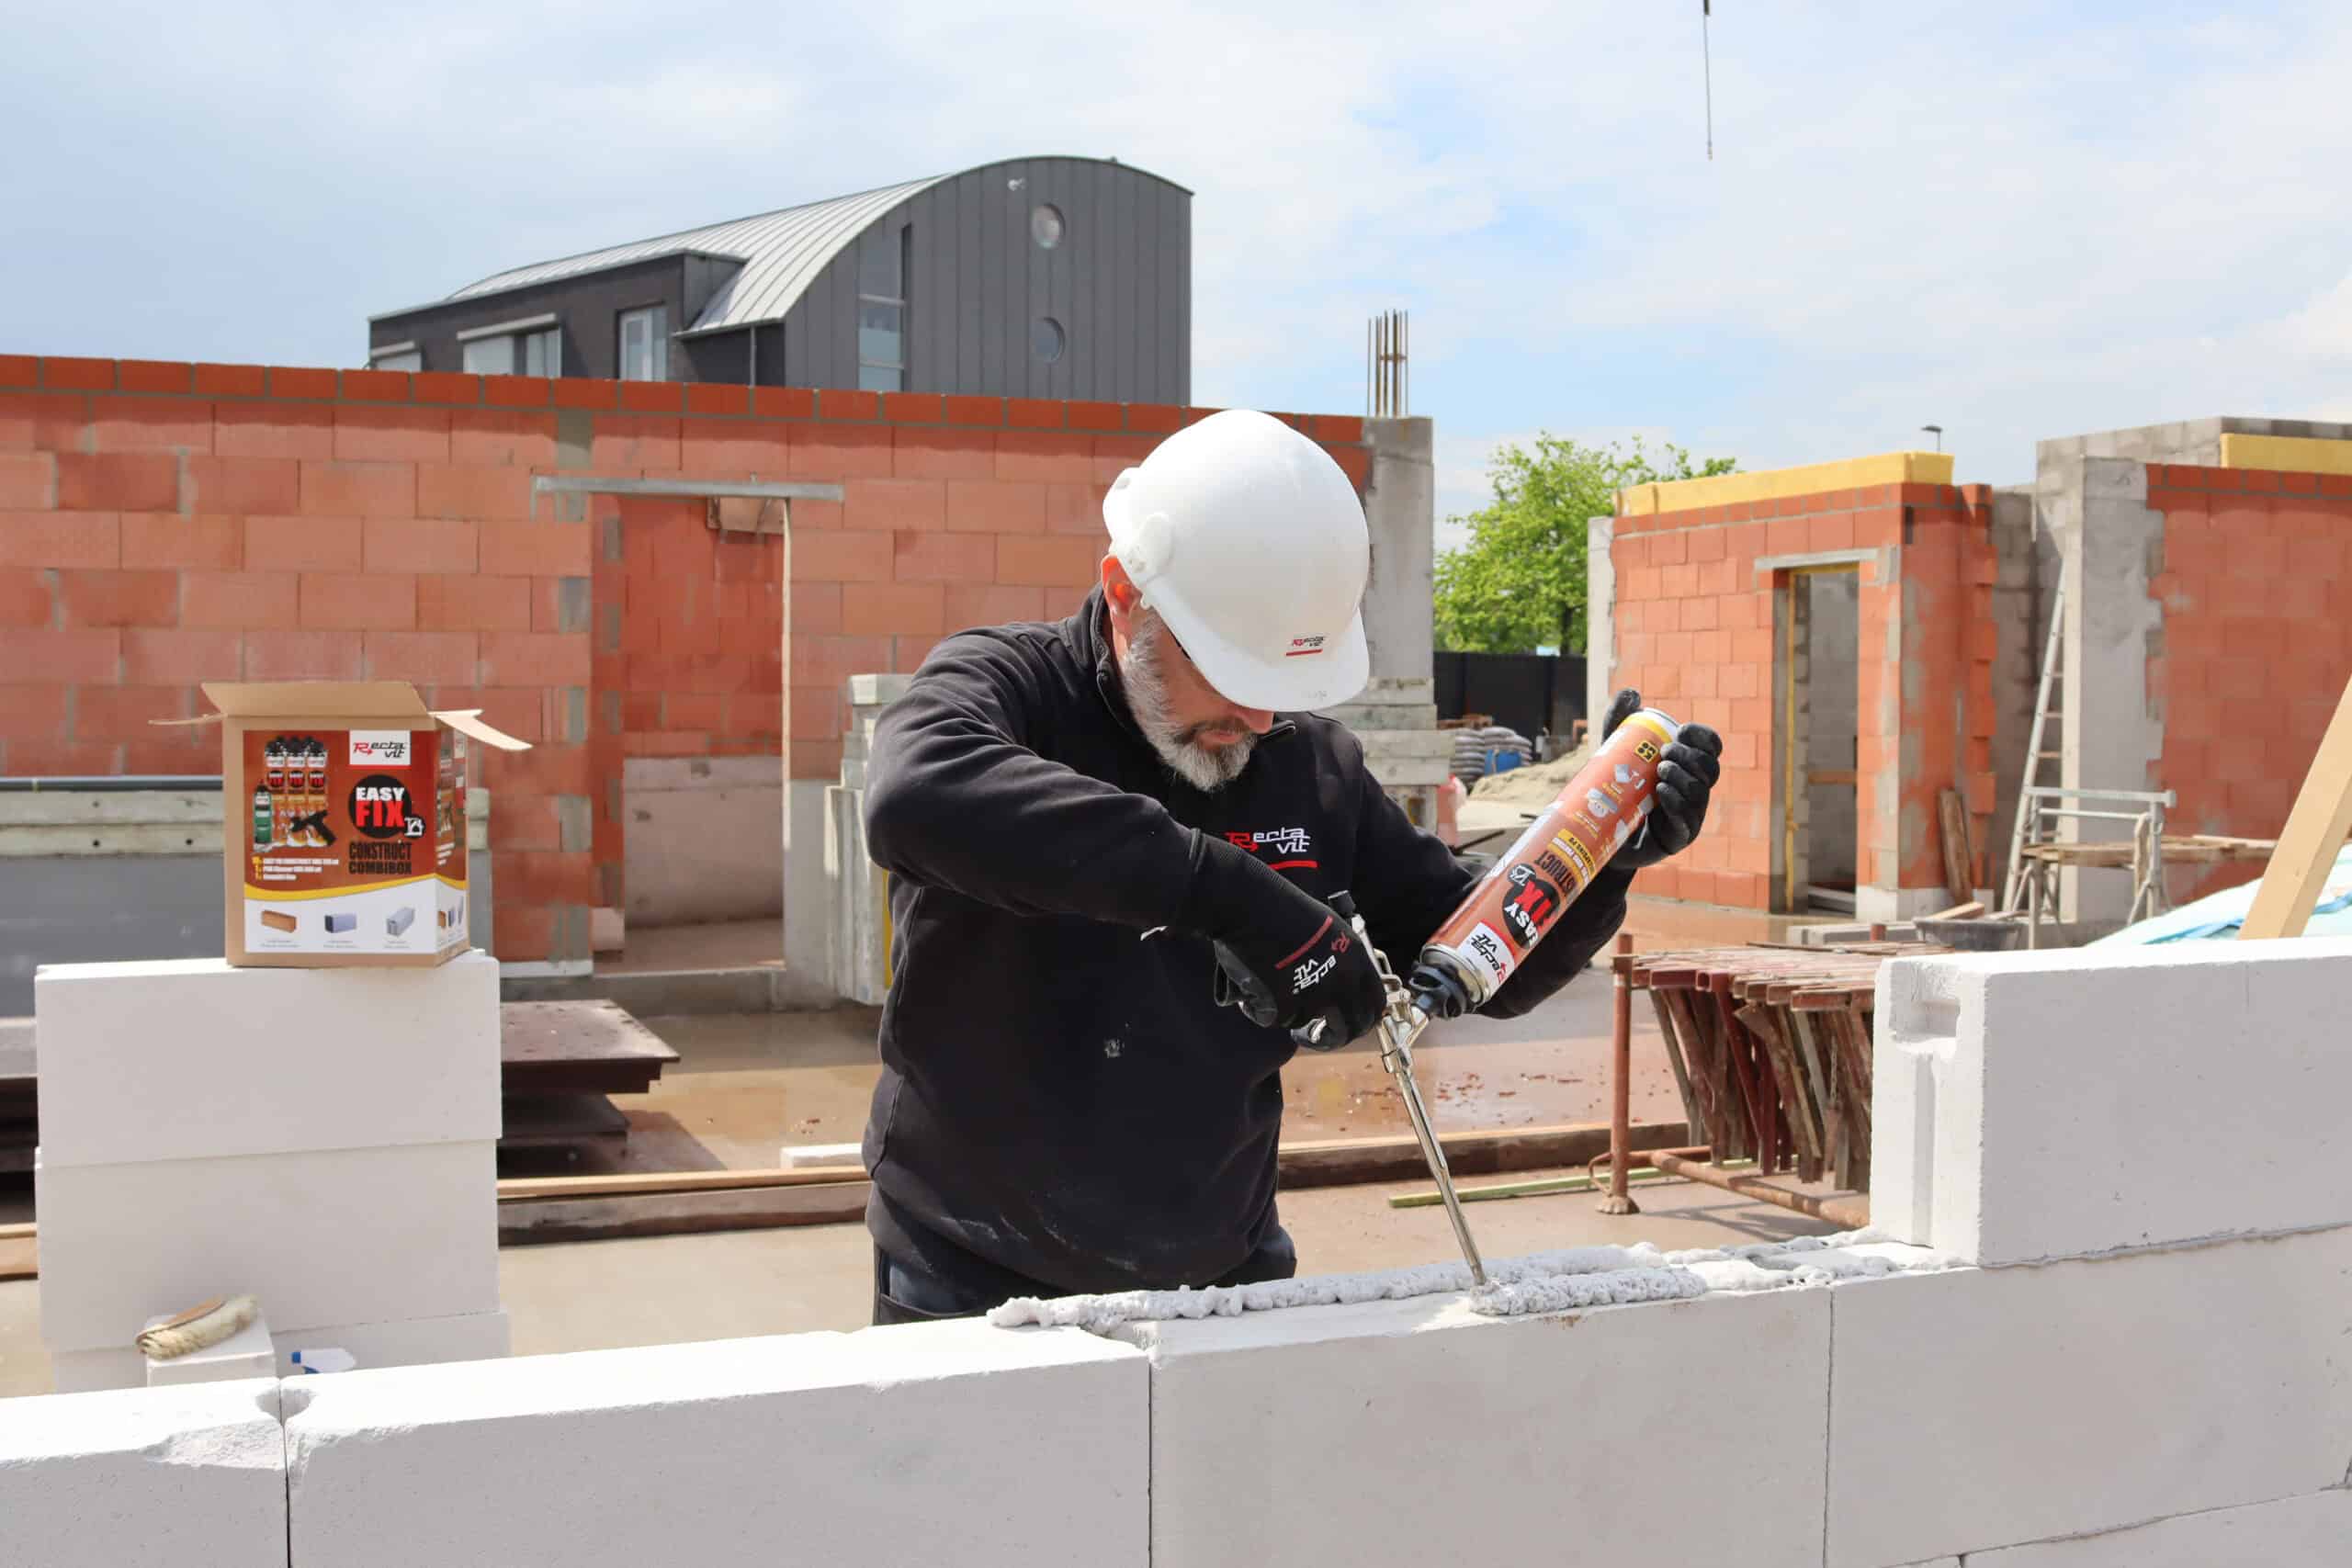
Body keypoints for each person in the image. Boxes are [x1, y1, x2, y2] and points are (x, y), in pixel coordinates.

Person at [856, 409, 1722, 1324]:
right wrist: (1234, 898)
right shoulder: (1011, 689)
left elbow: (1473, 959)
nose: (1259, 720)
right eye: (1232, 675)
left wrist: (1595, 863)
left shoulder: (1307, 767)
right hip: (973, 1266)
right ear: (1125, 593)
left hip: (1221, 1265)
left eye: (1278, 686)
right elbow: (915, 795)